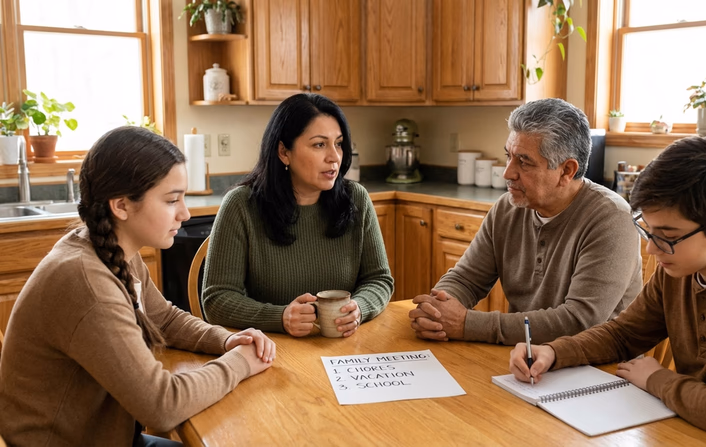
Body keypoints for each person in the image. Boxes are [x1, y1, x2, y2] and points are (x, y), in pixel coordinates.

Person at [509, 136, 706, 445]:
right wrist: (554, 352)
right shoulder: (679, 266)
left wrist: (657, 379)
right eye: (648, 229)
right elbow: (623, 335)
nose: (651, 249)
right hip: (693, 427)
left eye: (667, 235)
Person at [0, 127, 276, 446]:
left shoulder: (113, 251)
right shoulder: (86, 281)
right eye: (172, 200)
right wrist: (240, 363)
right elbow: (162, 404)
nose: (184, 213)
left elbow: (164, 318)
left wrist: (227, 340)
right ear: (121, 205)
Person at [410, 98, 642, 345]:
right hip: (524, 358)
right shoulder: (507, 208)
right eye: (508, 156)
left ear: (566, 171)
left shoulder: (612, 219)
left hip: (600, 368)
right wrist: (438, 311)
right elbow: (466, 279)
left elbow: (579, 321)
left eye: (524, 161)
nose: (507, 173)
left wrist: (467, 324)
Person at [202, 93, 393, 337]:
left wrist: (359, 308)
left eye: (339, 143)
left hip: (343, 349)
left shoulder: (357, 199)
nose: (334, 157)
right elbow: (216, 300)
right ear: (284, 152)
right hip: (270, 351)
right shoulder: (241, 205)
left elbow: (379, 280)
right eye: (319, 144)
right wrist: (280, 317)